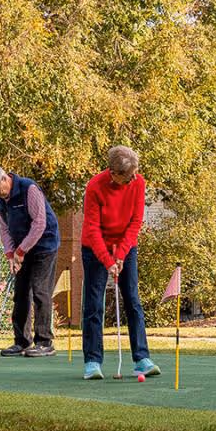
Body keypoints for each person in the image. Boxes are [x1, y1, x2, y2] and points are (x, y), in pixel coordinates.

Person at [80, 145, 160, 380]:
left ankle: (142, 359)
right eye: (129, 175)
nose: (134, 178)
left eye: (136, 172)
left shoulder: (138, 183)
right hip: (95, 247)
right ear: (114, 173)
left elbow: (136, 222)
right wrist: (108, 261)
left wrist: (121, 255)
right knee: (94, 304)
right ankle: (92, 362)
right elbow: (92, 229)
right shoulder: (95, 186)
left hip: (125, 245)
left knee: (133, 299)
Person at [0, 164, 60, 357]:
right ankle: (22, 341)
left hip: (44, 244)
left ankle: (44, 342)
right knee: (20, 293)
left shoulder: (28, 188)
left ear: (5, 179)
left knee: (40, 291)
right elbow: (4, 228)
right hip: (21, 246)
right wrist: (10, 254)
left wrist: (21, 251)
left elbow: (40, 223)